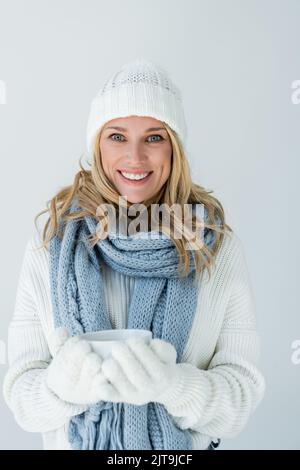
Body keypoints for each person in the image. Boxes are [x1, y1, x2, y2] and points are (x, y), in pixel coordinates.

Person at [2, 58, 266, 450]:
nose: (136, 158)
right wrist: (62, 387)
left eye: (154, 137)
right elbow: (22, 397)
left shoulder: (217, 249)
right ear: (97, 145)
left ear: (174, 148)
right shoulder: (50, 248)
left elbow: (240, 398)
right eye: (117, 136)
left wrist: (175, 385)